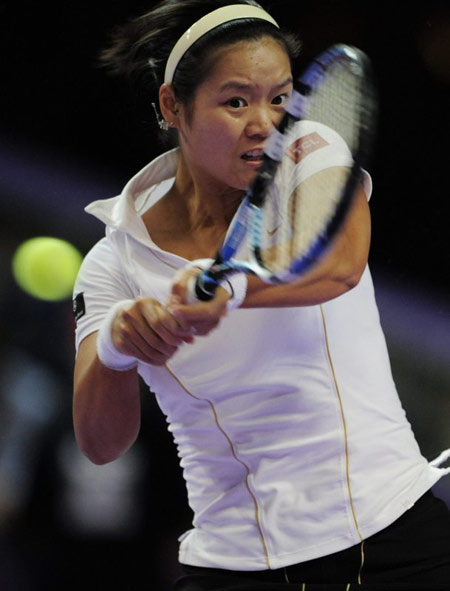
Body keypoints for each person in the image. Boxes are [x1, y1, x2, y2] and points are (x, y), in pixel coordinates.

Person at [72, 1, 450, 588]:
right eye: (235, 102)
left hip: (392, 534)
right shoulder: (114, 262)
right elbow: (100, 444)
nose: (264, 123)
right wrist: (119, 345)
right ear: (172, 106)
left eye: (279, 98)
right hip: (233, 565)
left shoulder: (308, 152)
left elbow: (339, 265)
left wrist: (233, 287)